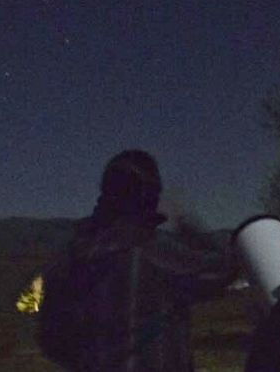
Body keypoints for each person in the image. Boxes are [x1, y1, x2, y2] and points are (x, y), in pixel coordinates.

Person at [38, 150, 236, 371]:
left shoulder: (67, 258)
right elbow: (223, 268)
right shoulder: (154, 253)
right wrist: (188, 227)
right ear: (148, 197)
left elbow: (50, 342)